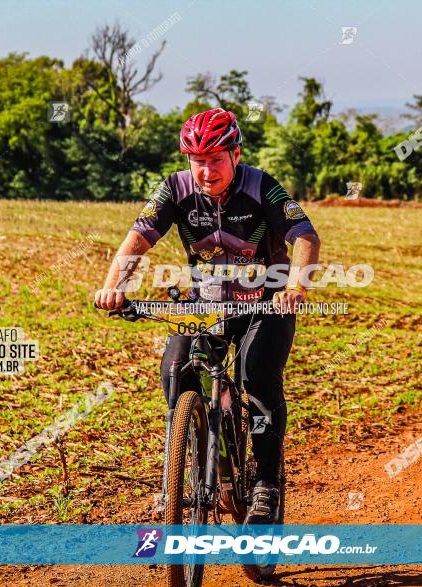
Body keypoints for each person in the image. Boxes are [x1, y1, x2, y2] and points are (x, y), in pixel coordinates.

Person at [94, 108, 321, 524]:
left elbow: (304, 236)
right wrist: (115, 288)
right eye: (197, 161)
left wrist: (296, 288)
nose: (206, 170)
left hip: (265, 304)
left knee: (256, 378)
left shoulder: (262, 187)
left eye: (216, 159)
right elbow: (136, 241)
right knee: (175, 370)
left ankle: (267, 483)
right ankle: (193, 467)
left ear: (236, 155)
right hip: (205, 304)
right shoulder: (175, 189)